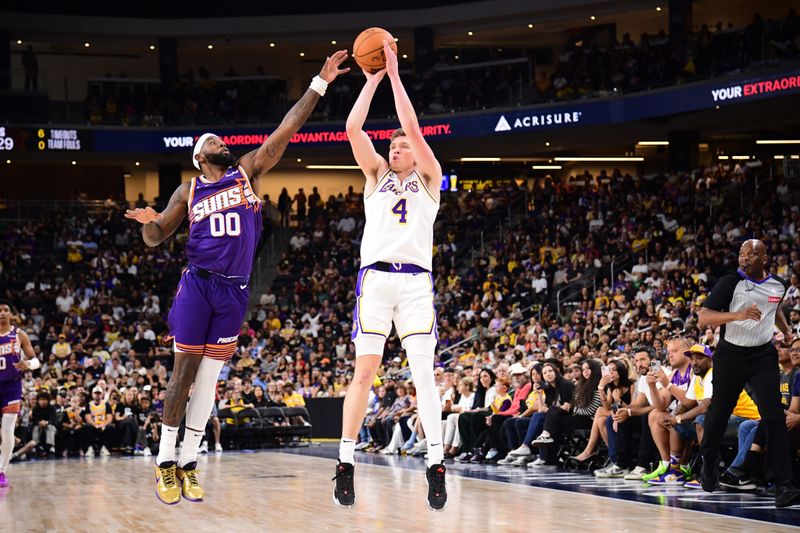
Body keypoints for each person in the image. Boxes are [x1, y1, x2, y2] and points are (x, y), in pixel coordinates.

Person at [125, 50, 349, 505]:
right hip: (199, 283)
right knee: (183, 372)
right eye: (214, 143)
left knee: (208, 383)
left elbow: (285, 130)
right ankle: (165, 461)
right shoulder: (189, 189)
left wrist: (319, 84)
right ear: (199, 155)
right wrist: (150, 222)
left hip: (235, 290)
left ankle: (189, 462)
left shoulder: (247, 172)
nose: (222, 144)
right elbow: (156, 237)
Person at [333, 41, 447, 511]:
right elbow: (352, 127)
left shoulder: (430, 177)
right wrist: (373, 78)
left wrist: (397, 76)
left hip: (417, 282)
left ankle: (436, 466)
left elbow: (415, 128)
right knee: (365, 372)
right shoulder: (377, 175)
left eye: (404, 145)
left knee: (424, 375)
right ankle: (345, 461)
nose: (398, 148)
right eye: (393, 145)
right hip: (376, 280)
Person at [697, 239, 800, 507]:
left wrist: (786, 330)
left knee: (774, 416)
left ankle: (784, 485)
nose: (745, 258)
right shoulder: (730, 282)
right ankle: (708, 464)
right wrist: (737, 316)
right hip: (730, 354)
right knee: (718, 414)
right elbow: (704, 316)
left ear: (764, 258)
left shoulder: (778, 284)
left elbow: (773, 306)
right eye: (742, 253)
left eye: (752, 254)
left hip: (762, 355)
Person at [0, 299, 42, 487]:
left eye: (5, 310)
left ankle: (1, 471)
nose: (2, 313)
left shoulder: (19, 334)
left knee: (7, 429)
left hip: (11, 386)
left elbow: (36, 361)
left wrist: (29, 364)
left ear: (11, 314)